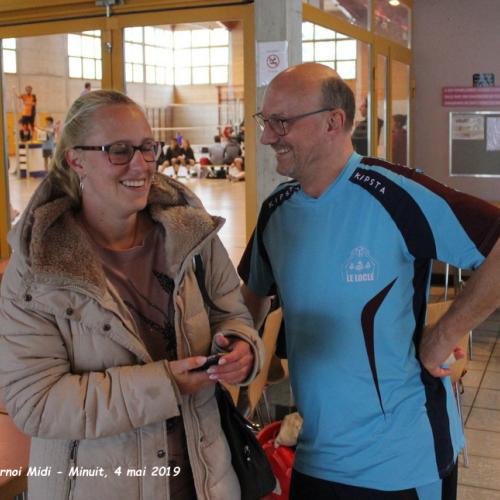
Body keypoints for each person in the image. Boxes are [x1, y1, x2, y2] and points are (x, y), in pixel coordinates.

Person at [238, 62, 500, 500]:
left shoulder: (394, 194)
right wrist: (235, 348)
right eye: (266, 121)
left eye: (281, 122)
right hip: (314, 456)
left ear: (333, 122)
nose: (267, 137)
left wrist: (444, 334)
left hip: (401, 462)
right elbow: (247, 307)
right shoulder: (276, 212)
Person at [0, 90, 264, 500]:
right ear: (75, 160)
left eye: (147, 148)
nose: (140, 164)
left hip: (206, 481)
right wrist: (165, 386)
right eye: (119, 151)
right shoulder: (38, 267)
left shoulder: (191, 235)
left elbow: (231, 315)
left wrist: (241, 348)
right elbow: (36, 402)